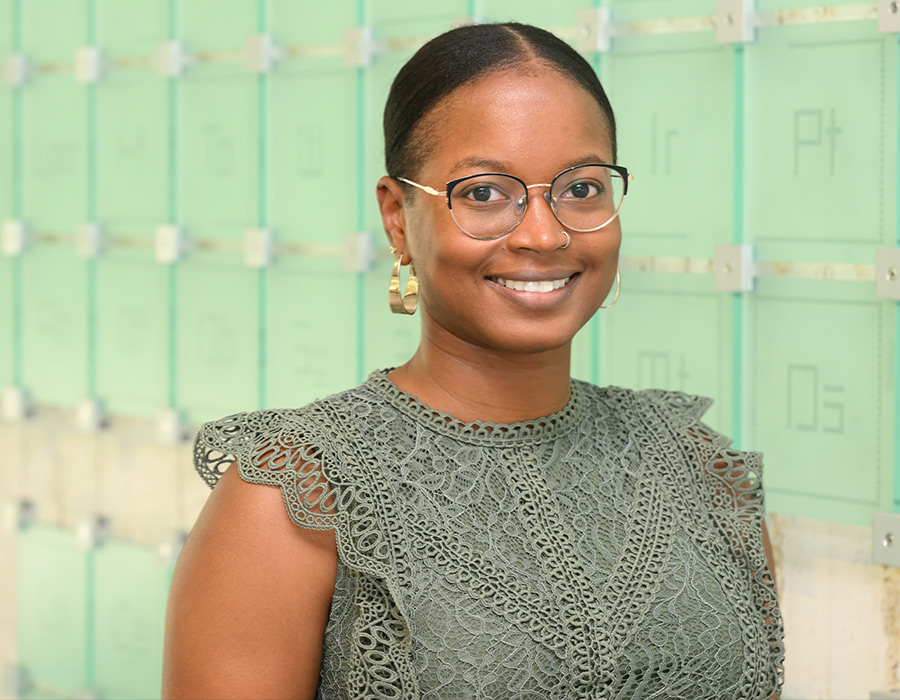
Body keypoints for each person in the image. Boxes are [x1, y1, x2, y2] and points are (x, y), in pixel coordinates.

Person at [162, 21, 785, 700]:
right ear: (398, 216)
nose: (544, 234)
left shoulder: (696, 467)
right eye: (484, 193)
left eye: (581, 188)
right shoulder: (297, 494)